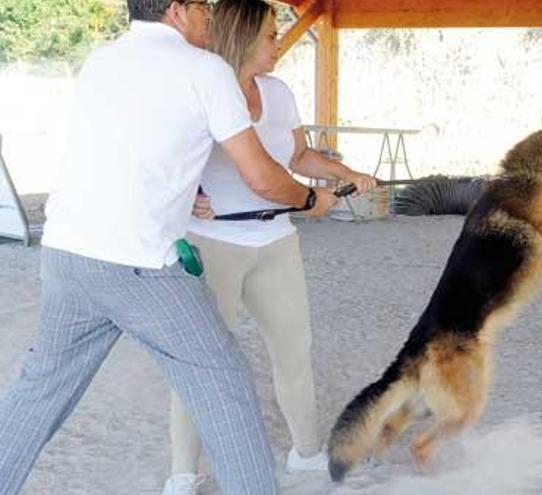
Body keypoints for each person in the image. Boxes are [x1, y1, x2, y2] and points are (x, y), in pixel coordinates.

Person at [0, 0, 340, 493]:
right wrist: (310, 198)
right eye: (202, 6)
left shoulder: (103, 59)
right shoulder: (205, 70)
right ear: (177, 11)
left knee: (39, 389)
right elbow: (264, 177)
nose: (209, 17)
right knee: (225, 387)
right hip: (139, 267)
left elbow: (136, 146)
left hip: (65, 255)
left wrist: (188, 193)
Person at [161, 1, 376, 493]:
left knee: (294, 352)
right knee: (198, 361)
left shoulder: (278, 92)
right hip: (214, 246)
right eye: (270, 36)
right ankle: (182, 473)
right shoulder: (203, 88)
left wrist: (349, 174)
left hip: (276, 242)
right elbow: (168, 157)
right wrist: (189, 194)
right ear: (240, 36)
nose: (278, 45)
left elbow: (298, 155)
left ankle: (306, 454)